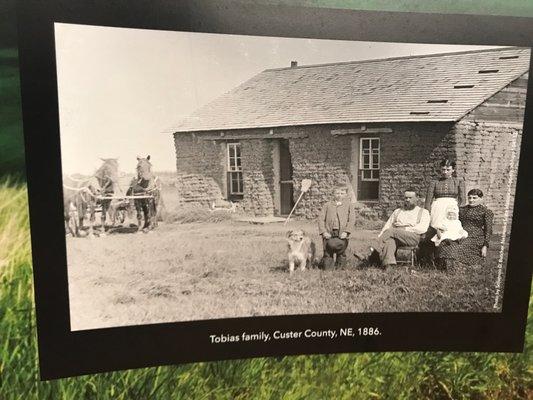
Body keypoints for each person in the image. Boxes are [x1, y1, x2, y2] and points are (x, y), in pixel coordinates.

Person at [357, 190, 430, 268]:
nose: (407, 200)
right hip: (396, 235)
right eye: (406, 198)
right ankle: (389, 266)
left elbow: (423, 228)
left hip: (413, 237)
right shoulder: (398, 211)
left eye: (410, 198)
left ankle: (369, 253)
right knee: (389, 241)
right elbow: (387, 226)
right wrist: (381, 237)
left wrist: (404, 229)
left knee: (392, 231)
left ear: (417, 198)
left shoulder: (423, 212)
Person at [436, 188, 494, 267]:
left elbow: (488, 230)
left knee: (458, 247)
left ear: (481, 198)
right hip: (458, 233)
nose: (471, 200)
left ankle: (460, 266)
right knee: (446, 243)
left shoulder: (486, 212)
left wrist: (485, 246)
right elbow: (452, 221)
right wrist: (444, 227)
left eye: (474, 198)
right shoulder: (462, 209)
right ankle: (445, 266)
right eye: (469, 198)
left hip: (476, 236)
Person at [318, 186, 355, 269]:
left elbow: (352, 219)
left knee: (341, 251)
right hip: (329, 231)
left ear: (345, 195)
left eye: (342, 193)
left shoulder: (349, 205)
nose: (339, 195)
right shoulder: (327, 205)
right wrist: (324, 232)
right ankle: (328, 268)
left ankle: (340, 268)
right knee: (327, 250)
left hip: (342, 232)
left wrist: (346, 231)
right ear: (333, 194)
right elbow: (320, 219)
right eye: (337, 193)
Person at [425, 158, 466, 229]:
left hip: (452, 206)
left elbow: (462, 198)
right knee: (437, 226)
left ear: (453, 170)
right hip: (437, 207)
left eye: (448, 170)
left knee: (451, 226)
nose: (445, 172)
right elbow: (428, 199)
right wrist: (427, 211)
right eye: (443, 169)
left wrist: (461, 210)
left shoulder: (458, 182)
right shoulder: (434, 182)